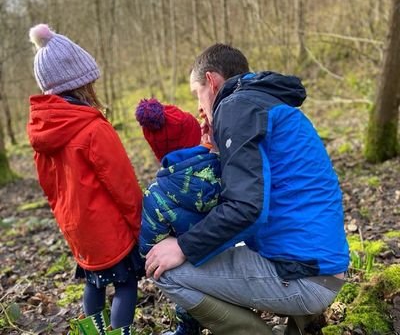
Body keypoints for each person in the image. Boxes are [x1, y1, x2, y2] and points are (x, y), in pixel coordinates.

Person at [144, 44, 349, 335]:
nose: (199, 108)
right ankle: (300, 326)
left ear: (212, 82)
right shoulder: (266, 103)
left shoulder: (235, 107)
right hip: (325, 264)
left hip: (305, 276)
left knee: (166, 271)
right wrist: (219, 148)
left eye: (197, 94)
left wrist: (182, 246)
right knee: (224, 244)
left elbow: (246, 208)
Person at [27, 24, 143, 335]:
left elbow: (49, 188)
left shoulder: (42, 132)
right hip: (110, 229)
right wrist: (138, 222)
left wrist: (68, 221)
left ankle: (92, 333)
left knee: (93, 283)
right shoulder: (93, 128)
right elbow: (123, 184)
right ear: (83, 83)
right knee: (125, 284)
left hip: (77, 229)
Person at [135, 98, 221, 335]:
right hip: (238, 269)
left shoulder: (156, 194)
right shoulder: (228, 168)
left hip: (192, 274)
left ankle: (189, 326)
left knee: (163, 267)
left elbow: (149, 248)